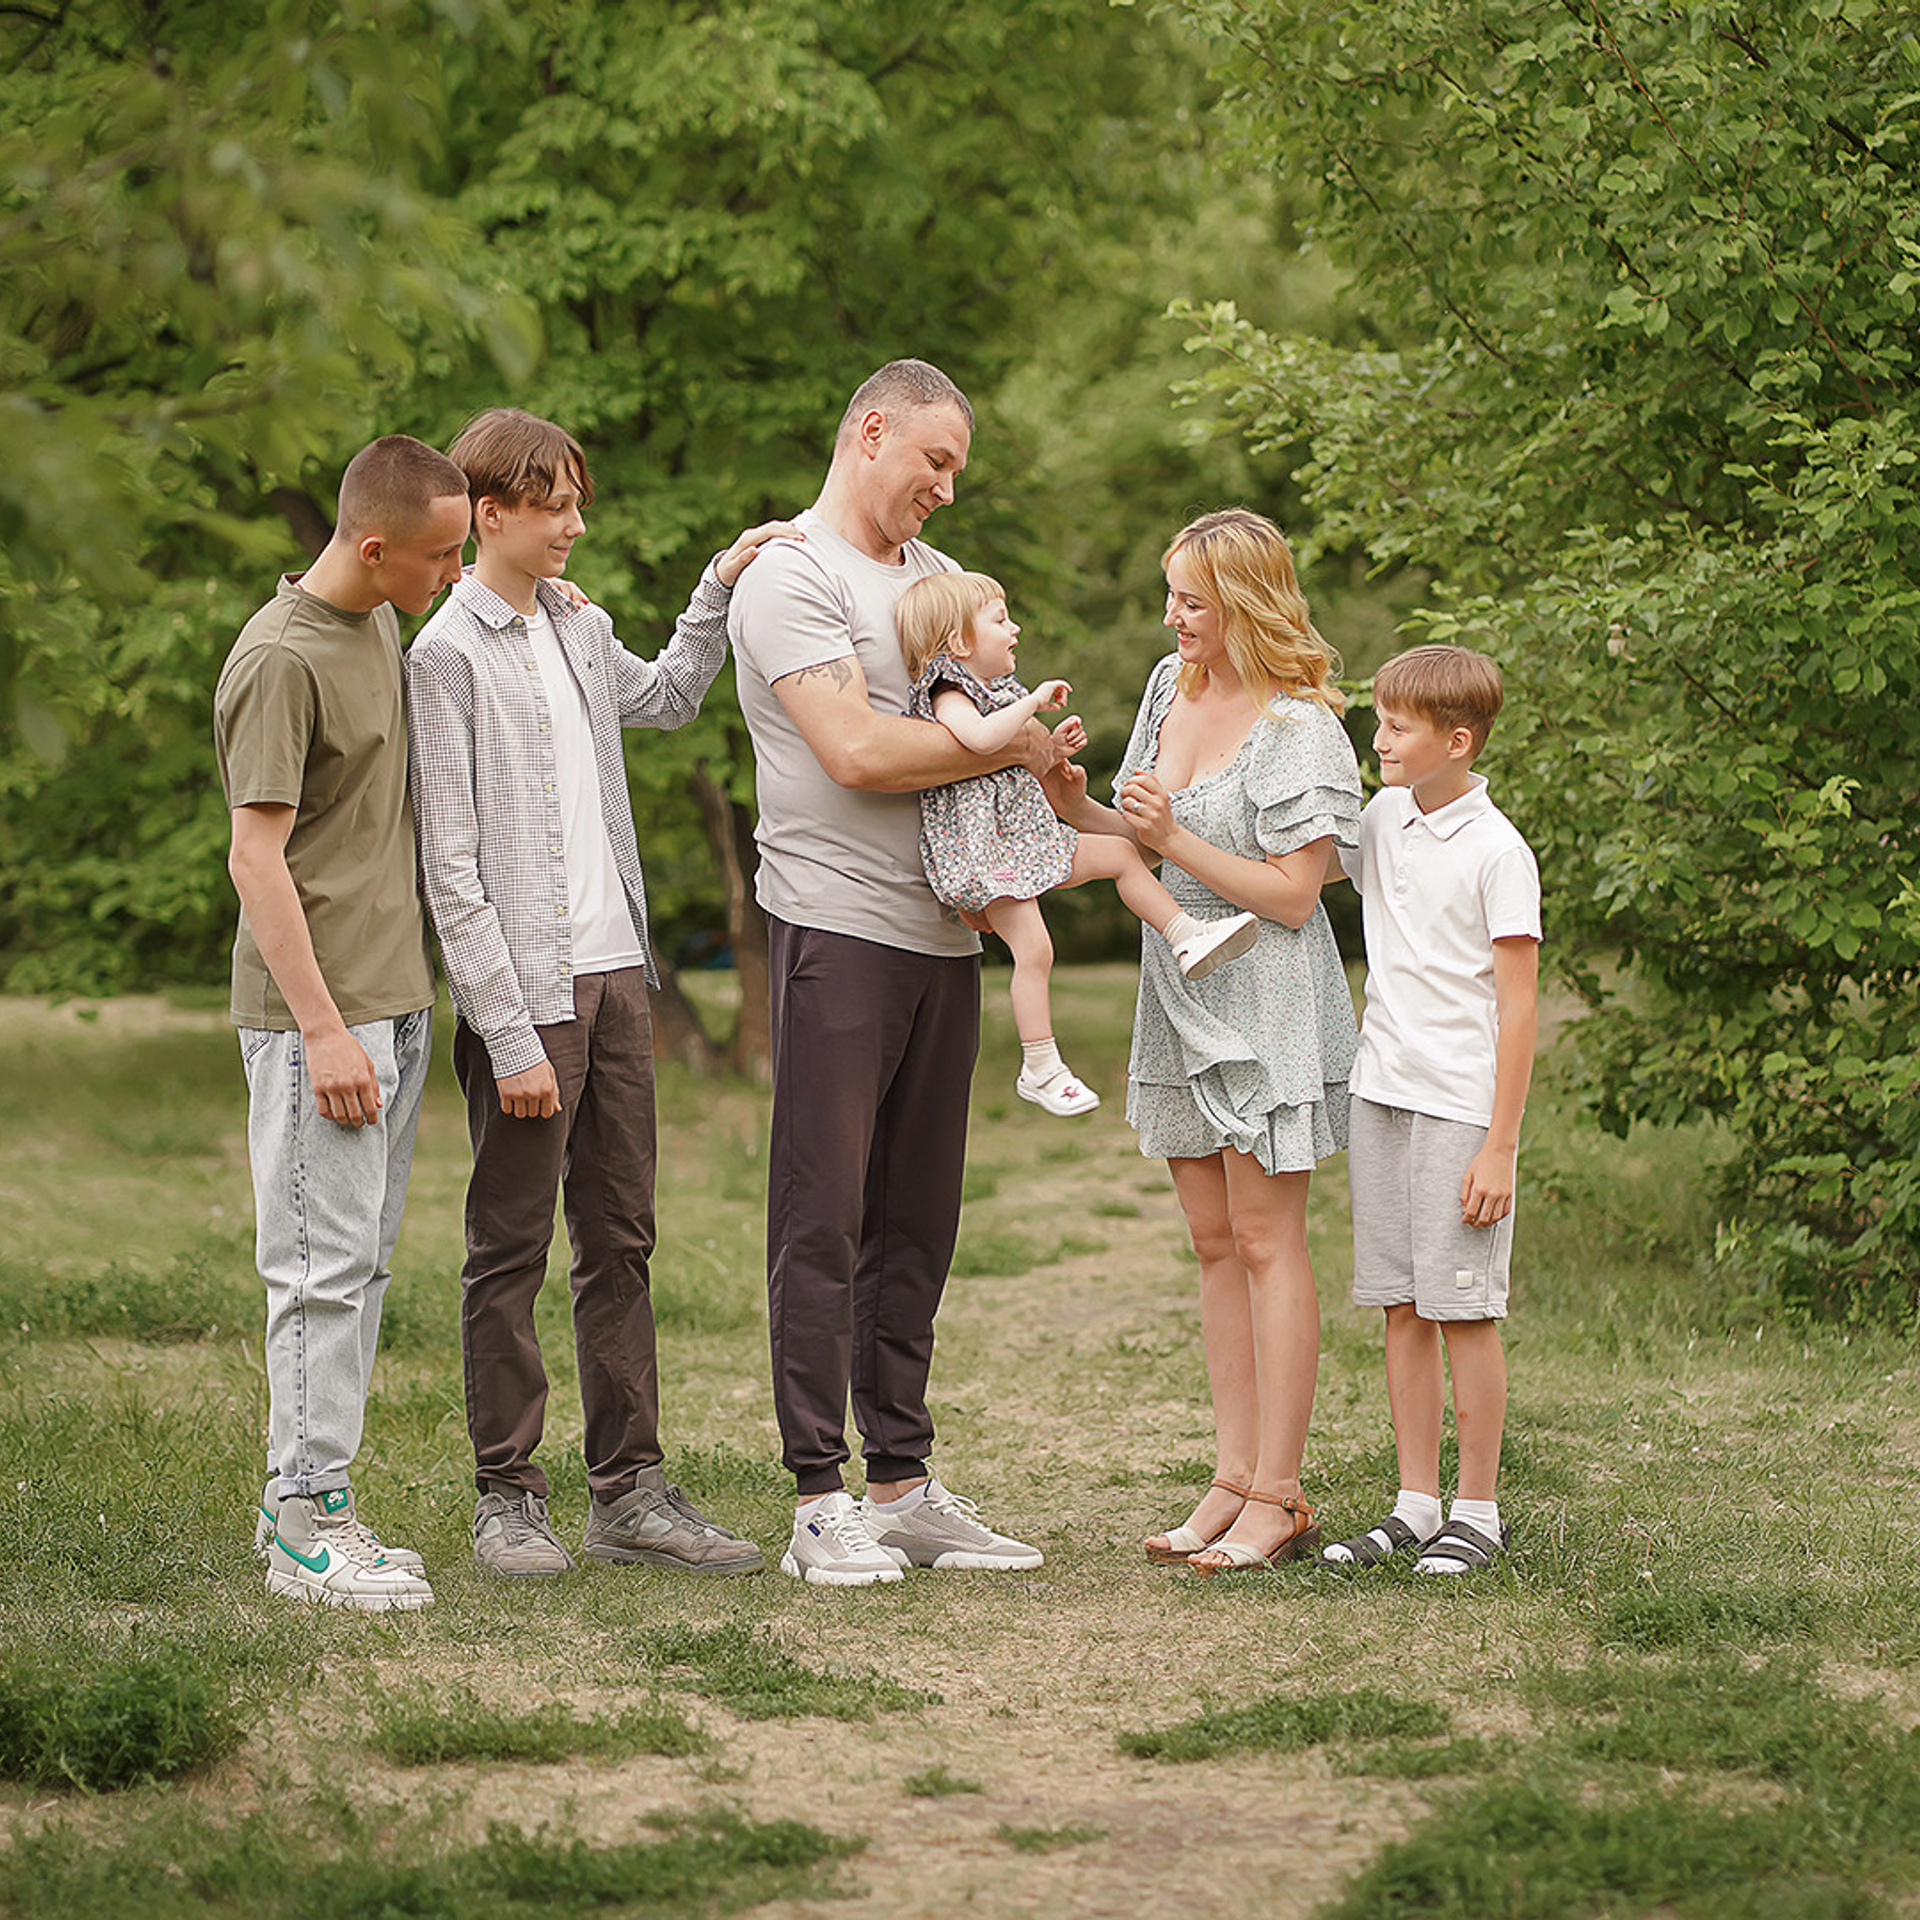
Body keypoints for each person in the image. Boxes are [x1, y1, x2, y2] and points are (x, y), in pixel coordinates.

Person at [408, 406, 795, 1579]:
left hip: (619, 977)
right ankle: (505, 1497)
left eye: (578, 501)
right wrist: (506, 1030)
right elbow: (450, 871)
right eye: (555, 505)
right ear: (490, 514)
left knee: (621, 1240)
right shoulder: (444, 656)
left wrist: (718, 585)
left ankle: (630, 1495)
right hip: (527, 998)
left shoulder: (580, 628)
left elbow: (669, 697)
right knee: (509, 1250)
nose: (575, 524)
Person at [728, 358, 1059, 1586]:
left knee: (917, 1225)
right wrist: (1003, 745)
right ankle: (819, 1502)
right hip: (835, 930)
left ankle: (903, 1486)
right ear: (871, 432)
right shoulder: (792, 576)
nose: (948, 489)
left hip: (943, 938)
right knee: (824, 1219)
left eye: (957, 469)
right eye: (937, 461)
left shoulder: (935, 581)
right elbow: (858, 751)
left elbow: (993, 743)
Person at [1047, 508, 1360, 1575]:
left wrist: (1173, 835)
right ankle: (1232, 1478)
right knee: (1213, 1243)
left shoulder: (1298, 726)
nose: (1172, 617)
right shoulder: (1166, 686)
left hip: (1264, 990)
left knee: (1269, 1241)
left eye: (1191, 600)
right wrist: (1065, 795)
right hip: (1179, 986)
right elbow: (1127, 835)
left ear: (1246, 602)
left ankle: (1281, 1492)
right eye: (1169, 596)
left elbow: (1295, 895)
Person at [217, 434, 472, 1611]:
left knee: (356, 1269)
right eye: (440, 557)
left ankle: (309, 1496)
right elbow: (254, 858)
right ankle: (304, 1530)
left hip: (394, 1000)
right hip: (320, 1018)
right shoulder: (281, 660)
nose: (452, 576)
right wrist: (322, 1031)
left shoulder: (377, 622)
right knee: (317, 1272)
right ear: (375, 549)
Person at [1319, 645, 1540, 1576]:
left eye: (1397, 726)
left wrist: (1500, 1147)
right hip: (1382, 1093)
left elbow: (1519, 1008)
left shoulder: (1499, 851)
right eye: (1379, 720)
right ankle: (1415, 1505)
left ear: (1457, 740)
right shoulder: (1381, 817)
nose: (1379, 739)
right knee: (1401, 1306)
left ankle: (1478, 1513)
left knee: (1462, 1310)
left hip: (1459, 1110)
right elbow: (1298, 861)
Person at [895, 569, 1258, 1116]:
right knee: (1035, 949)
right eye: (1000, 620)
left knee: (1120, 854)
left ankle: (1185, 934)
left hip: (1025, 842)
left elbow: (1012, 759)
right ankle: (1041, 1066)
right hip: (986, 856)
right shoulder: (947, 693)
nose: (1014, 629)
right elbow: (982, 740)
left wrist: (1053, 747)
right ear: (959, 643)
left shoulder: (997, 692)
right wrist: (1034, 704)